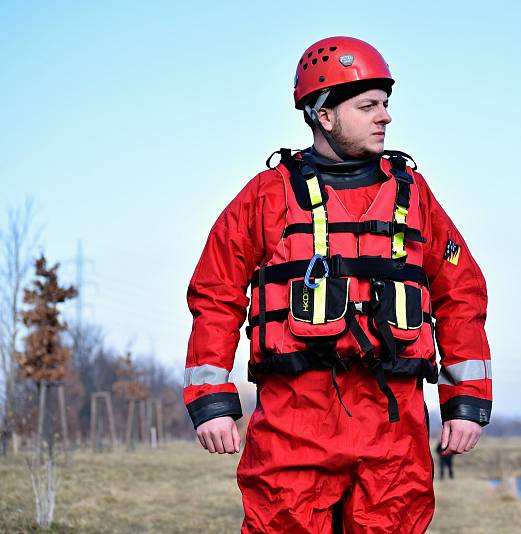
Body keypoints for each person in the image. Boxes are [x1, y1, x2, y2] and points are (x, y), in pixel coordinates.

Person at [182, 36, 492, 533]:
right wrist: (212, 401)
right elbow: (215, 292)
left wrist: (467, 402)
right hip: (293, 428)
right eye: (367, 105)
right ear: (323, 115)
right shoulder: (266, 196)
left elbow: (461, 293)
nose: (385, 116)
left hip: (394, 435)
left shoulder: (415, 198)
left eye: (386, 104)